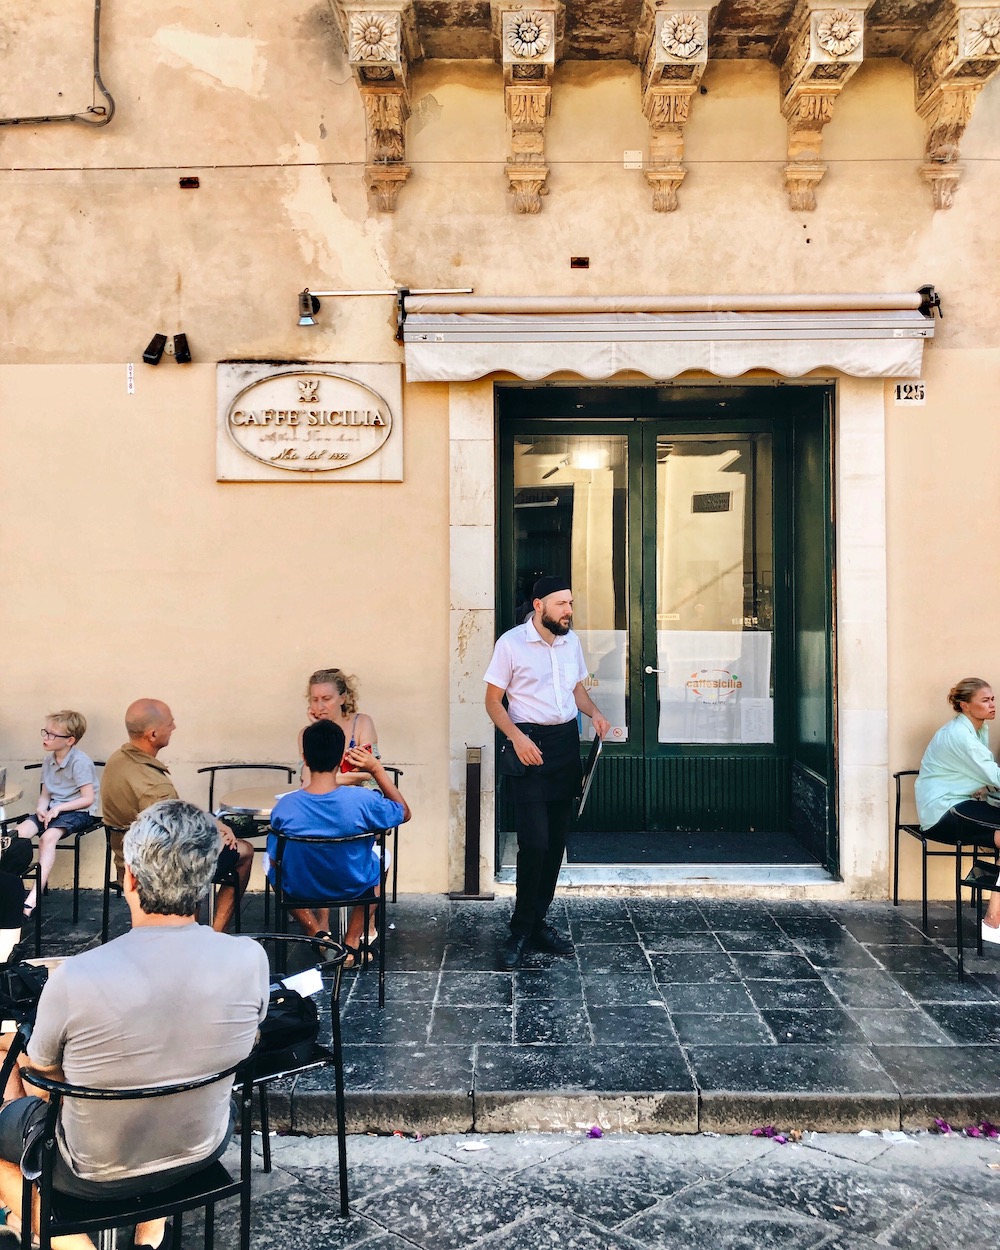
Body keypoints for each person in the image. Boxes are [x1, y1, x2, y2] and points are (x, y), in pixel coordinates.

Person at [0, 800, 269, 1250]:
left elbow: (43, 1073)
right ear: (205, 881)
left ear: (130, 879)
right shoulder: (250, 958)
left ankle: (67, 1239)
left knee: (23, 1077)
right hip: (202, 1145)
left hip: (91, 1169)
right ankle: (149, 1233)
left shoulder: (77, 976)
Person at [484, 575, 610, 970]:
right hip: (529, 747)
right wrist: (517, 739)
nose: (569, 611)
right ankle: (520, 930)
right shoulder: (511, 644)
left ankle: (537, 922)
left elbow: (576, 690)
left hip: (564, 747)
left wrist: (596, 713)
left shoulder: (571, 642)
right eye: (561, 604)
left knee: (556, 844)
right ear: (538, 605)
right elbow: (492, 701)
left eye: (570, 603)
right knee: (534, 843)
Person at [101, 699, 253, 932]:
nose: (174, 728)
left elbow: (175, 811)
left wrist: (213, 821)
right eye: (170, 724)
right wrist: (216, 833)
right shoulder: (153, 785)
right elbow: (180, 840)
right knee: (243, 851)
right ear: (152, 734)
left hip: (128, 862)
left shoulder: (119, 760)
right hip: (162, 870)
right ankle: (213, 933)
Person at [269, 719, 410, 968]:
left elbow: (275, 858)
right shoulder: (362, 800)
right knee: (381, 859)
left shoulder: (285, 806)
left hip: (302, 890)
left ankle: (317, 935)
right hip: (352, 886)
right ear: (340, 758)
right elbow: (404, 812)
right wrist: (377, 769)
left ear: (304, 757)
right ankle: (351, 943)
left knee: (271, 868)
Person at [915, 678, 1000, 943]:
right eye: (985, 700)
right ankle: (993, 921)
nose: (992, 704)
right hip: (942, 810)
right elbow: (993, 774)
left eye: (993, 699)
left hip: (962, 802)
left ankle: (993, 919)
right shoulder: (961, 736)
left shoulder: (977, 728)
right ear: (965, 705)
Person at [16, 711, 100, 918]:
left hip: (79, 812)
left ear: (70, 740)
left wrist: (59, 809)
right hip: (53, 809)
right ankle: (10, 889)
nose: (46, 737)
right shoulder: (48, 761)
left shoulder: (80, 762)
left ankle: (32, 900)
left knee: (47, 838)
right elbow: (45, 794)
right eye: (45, 732)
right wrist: (41, 808)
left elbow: (87, 798)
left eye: (52, 735)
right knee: (16, 836)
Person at [303, 668, 378, 784]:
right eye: (315, 700)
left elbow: (368, 771)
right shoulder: (306, 734)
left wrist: (324, 778)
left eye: (326, 699)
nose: (320, 706)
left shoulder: (362, 723)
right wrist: (319, 729)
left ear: (342, 698)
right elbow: (308, 779)